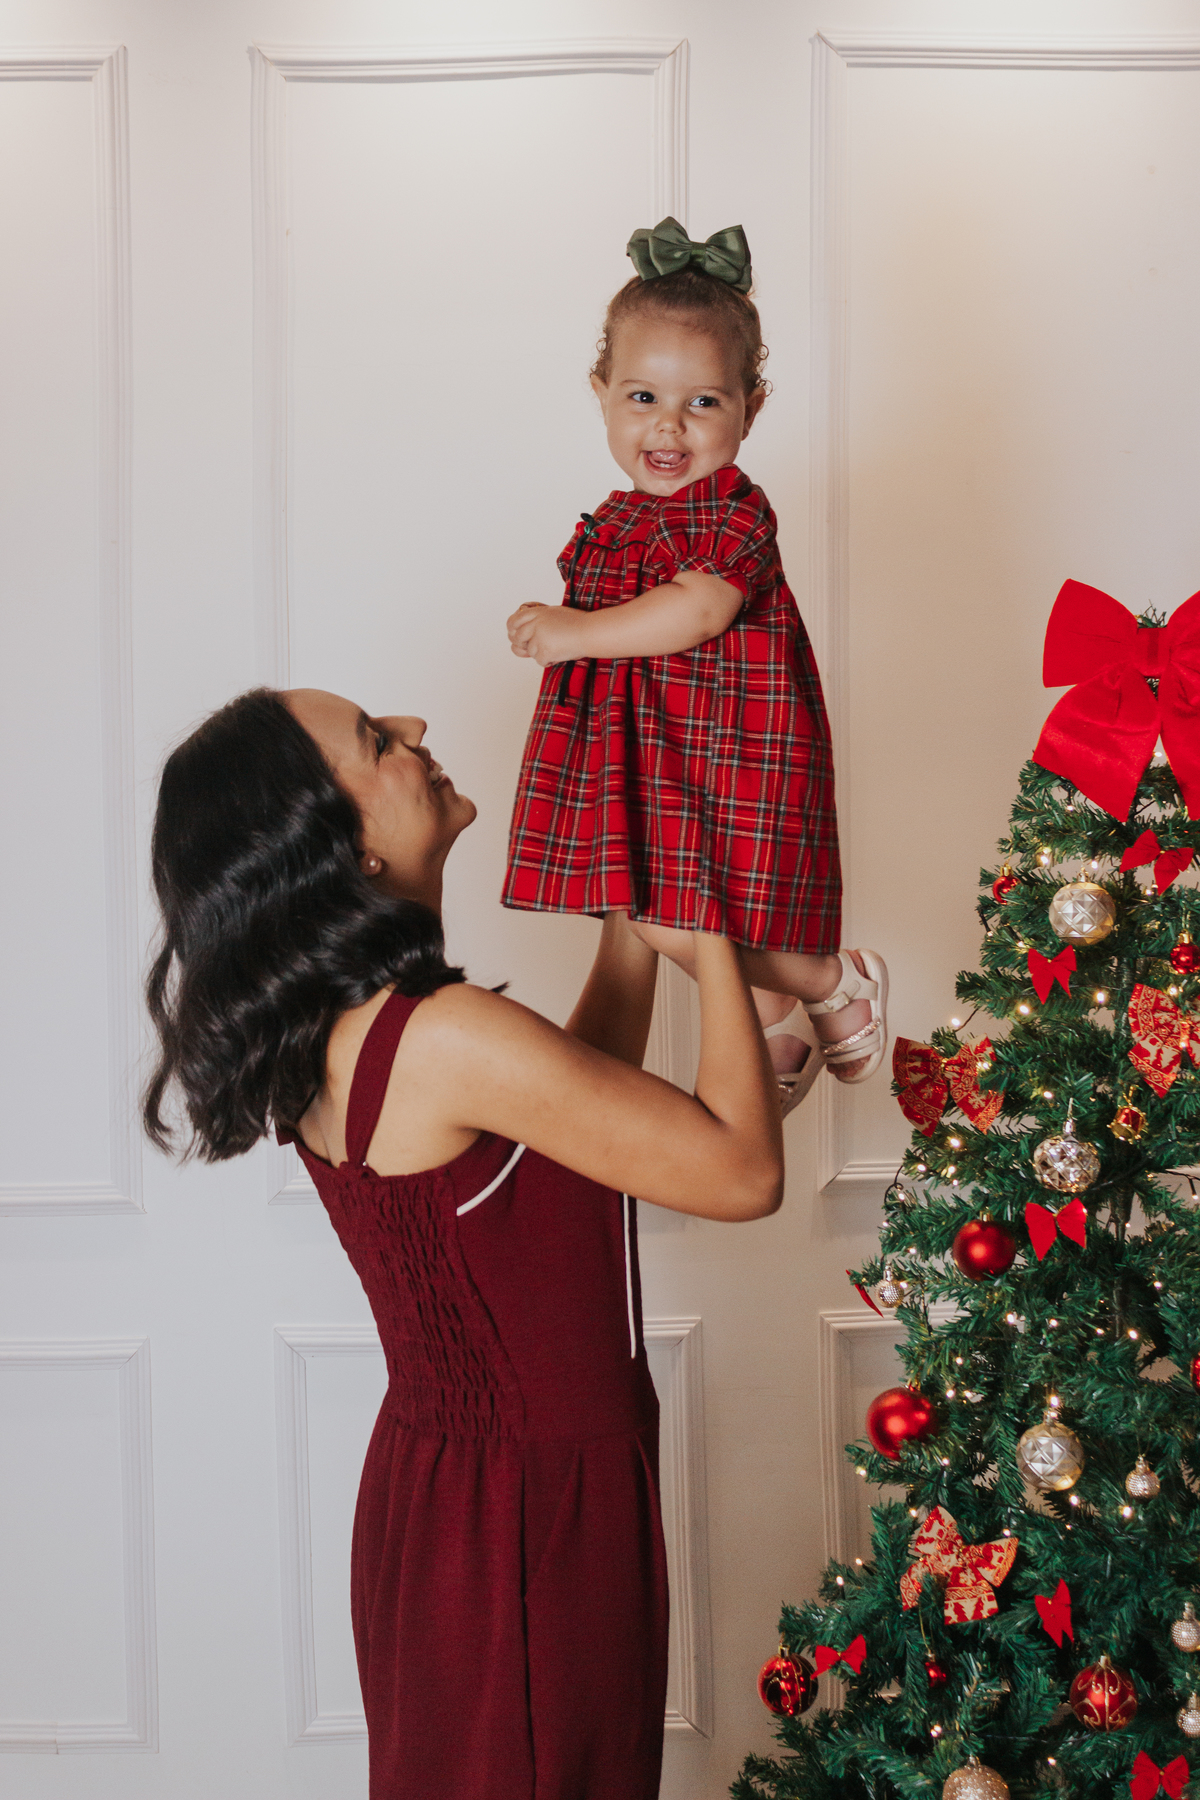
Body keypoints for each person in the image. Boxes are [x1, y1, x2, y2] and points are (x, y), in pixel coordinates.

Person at [143, 686, 784, 1800]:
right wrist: (713, 931)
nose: (419, 736)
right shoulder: (441, 1036)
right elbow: (744, 1169)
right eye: (378, 743)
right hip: (531, 1522)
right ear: (337, 849)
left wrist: (632, 928)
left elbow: (573, 1116)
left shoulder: (357, 1030)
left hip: (451, 1496)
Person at [503, 217, 888, 1114]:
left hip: (725, 748)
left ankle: (830, 979)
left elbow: (698, 609)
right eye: (642, 397)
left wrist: (570, 632)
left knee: (680, 910)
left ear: (752, 407)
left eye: (704, 403)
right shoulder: (613, 520)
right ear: (600, 390)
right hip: (645, 749)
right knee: (661, 906)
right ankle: (775, 1008)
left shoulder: (731, 510)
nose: (669, 426)